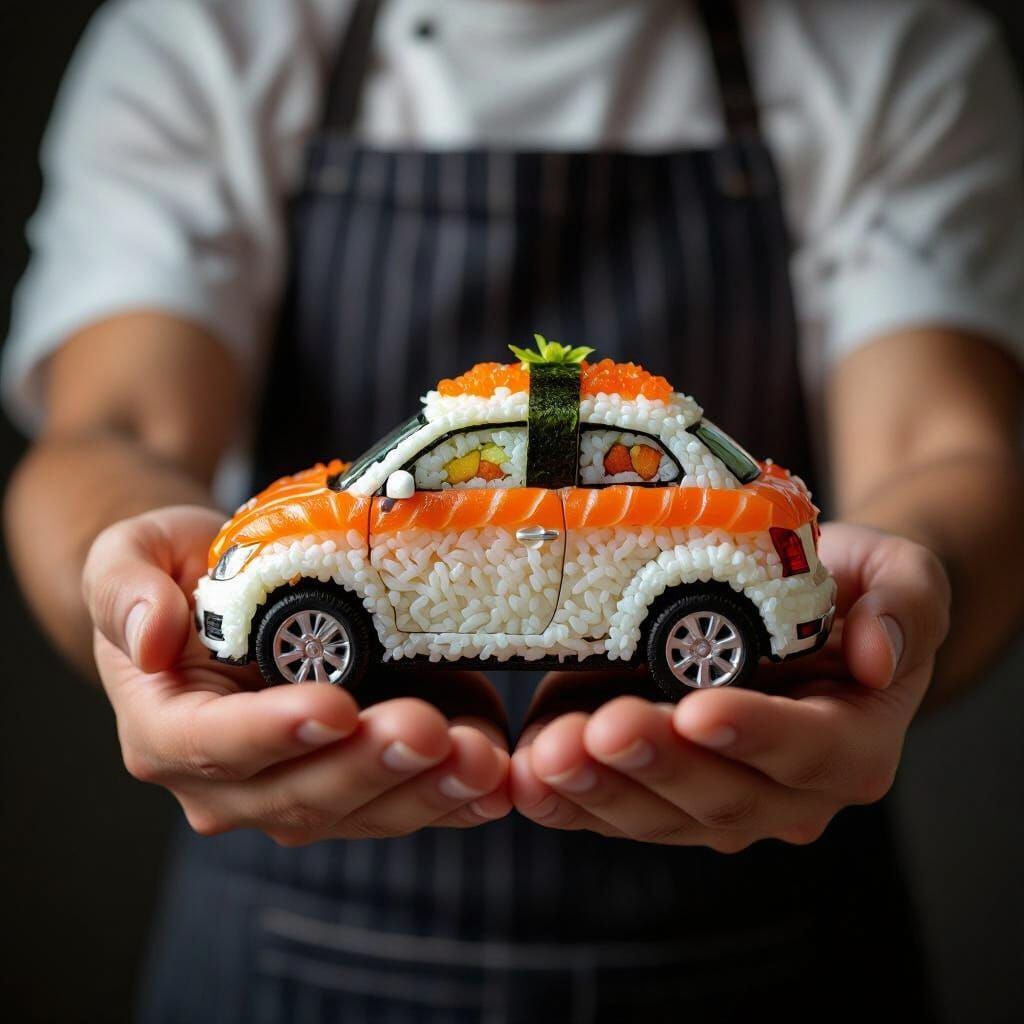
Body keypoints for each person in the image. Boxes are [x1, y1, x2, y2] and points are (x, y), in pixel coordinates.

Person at [4, 0, 1023, 1020]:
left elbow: (939, 450)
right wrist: (134, 594)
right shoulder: (205, 32)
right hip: (277, 947)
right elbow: (119, 426)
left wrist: (908, 593)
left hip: (783, 954)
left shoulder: (887, 42)